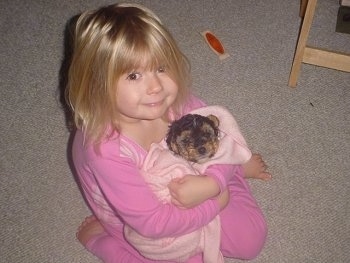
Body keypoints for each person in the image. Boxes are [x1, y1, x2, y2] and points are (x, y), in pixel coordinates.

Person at [66, 3, 271, 263]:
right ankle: (102, 243)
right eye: (133, 76)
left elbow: (222, 137)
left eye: (161, 68)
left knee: (250, 242)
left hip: (196, 184)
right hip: (144, 222)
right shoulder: (105, 151)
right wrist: (214, 204)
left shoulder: (176, 103)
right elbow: (152, 224)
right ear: (98, 85)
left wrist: (214, 183)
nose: (156, 87)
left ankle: (234, 172)